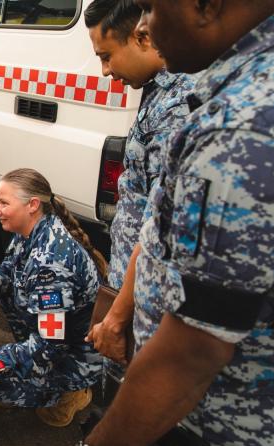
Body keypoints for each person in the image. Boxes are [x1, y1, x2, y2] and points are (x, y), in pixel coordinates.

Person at [83, 1, 274, 446]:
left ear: (205, 4)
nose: (145, 25)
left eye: (153, 8)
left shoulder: (246, 127)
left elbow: (194, 350)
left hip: (214, 421)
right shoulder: (236, 88)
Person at [83, 0, 195, 364]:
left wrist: (117, 316)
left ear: (141, 37)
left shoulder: (176, 106)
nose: (104, 70)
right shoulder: (155, 91)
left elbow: (158, 227)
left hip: (146, 298)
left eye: (106, 56)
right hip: (132, 287)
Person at [0, 168, 105, 427]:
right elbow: (9, 267)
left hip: (72, 355)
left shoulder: (50, 264)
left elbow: (52, 344)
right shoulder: (30, 230)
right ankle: (44, 377)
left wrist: (0, 360)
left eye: (3, 203)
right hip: (56, 339)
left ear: (32, 205)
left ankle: (71, 394)